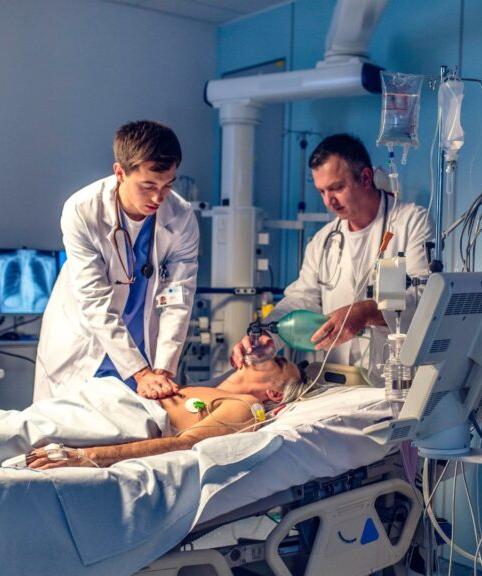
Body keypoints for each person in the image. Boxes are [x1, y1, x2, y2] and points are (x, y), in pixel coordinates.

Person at [229, 133, 433, 378]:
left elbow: (424, 298)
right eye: (322, 191)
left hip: (397, 376)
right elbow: (303, 298)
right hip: (339, 377)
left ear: (365, 178)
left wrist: (366, 312)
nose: (329, 201)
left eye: (337, 188)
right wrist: (268, 332)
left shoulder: (411, 223)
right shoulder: (323, 241)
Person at [35, 120, 200, 402]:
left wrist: (161, 368)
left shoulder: (180, 216)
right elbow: (95, 300)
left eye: (168, 185)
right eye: (148, 185)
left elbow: (177, 297)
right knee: (65, 438)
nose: (158, 197)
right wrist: (140, 373)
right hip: (84, 350)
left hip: (144, 356)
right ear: (120, 172)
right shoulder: (83, 210)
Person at [26, 356, 306, 469]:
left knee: (12, 432)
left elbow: (183, 444)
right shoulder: (216, 390)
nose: (266, 354)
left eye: (278, 361)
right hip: (105, 403)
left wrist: (88, 456)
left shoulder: (246, 406)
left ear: (275, 394)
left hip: (122, 418)